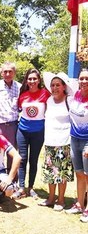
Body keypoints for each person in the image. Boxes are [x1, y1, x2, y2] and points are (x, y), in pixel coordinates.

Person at [11, 68, 50, 200]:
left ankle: (31, 187)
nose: (32, 81)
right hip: (22, 130)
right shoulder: (23, 95)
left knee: (33, 160)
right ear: (26, 81)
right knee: (22, 159)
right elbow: (19, 110)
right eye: (30, 79)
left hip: (38, 132)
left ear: (39, 80)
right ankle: (21, 188)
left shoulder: (46, 94)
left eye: (34, 78)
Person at [40, 72, 75, 211]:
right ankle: (51, 197)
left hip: (64, 142)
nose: (55, 88)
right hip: (49, 141)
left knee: (61, 173)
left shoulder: (69, 100)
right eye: (52, 85)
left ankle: (60, 200)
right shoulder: (49, 100)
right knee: (50, 172)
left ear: (64, 86)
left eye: (58, 85)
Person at [0, 62, 21, 173]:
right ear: (1, 73)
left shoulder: (19, 87)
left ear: (14, 73)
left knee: (12, 154)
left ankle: (12, 180)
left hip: (13, 126)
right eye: (5, 71)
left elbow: (21, 107)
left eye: (10, 71)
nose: (7, 74)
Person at [66, 68, 88, 221]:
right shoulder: (75, 95)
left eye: (87, 79)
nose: (84, 81)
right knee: (79, 173)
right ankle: (80, 203)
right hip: (74, 139)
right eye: (82, 78)